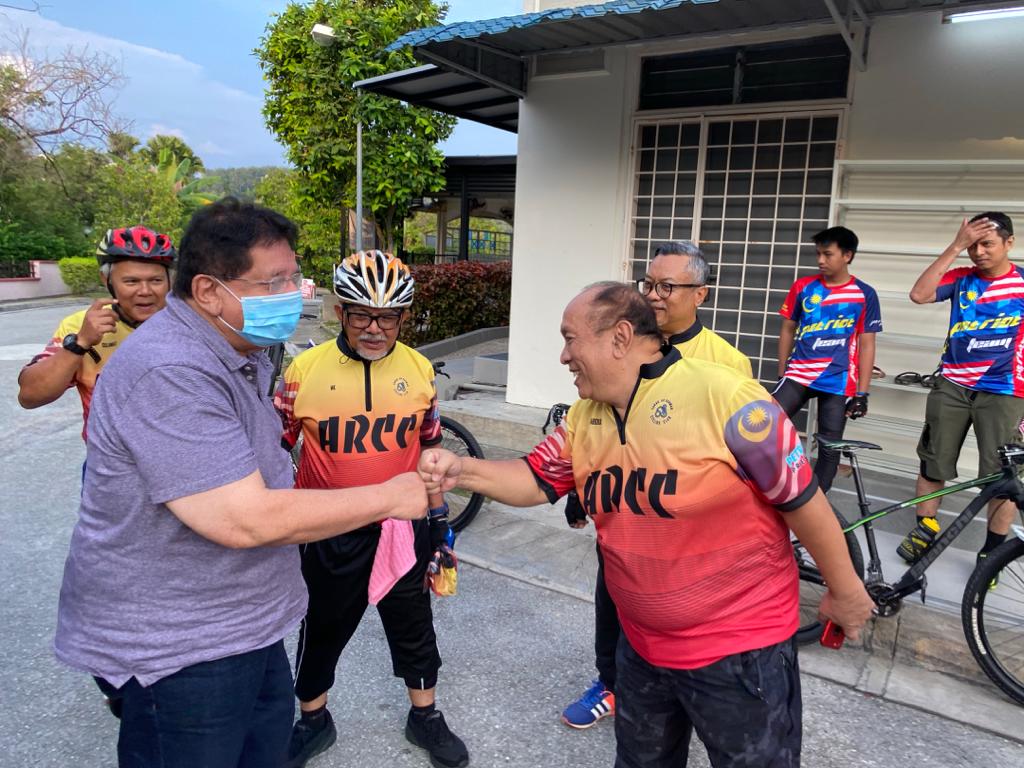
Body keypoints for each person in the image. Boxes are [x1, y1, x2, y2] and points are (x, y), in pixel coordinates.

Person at [420, 282, 873, 768]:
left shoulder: (727, 397)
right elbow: (535, 478)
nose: (563, 356)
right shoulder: (584, 417)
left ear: (619, 337)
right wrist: (461, 469)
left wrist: (846, 591)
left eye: (570, 339)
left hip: (741, 654)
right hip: (640, 649)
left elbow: (802, 501)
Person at [53, 199, 428, 768]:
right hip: (184, 650)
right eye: (275, 282)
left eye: (294, 277)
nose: (292, 293)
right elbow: (242, 517)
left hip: (242, 627)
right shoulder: (171, 370)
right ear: (208, 291)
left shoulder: (236, 351)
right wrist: (393, 495)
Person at [275, 250, 468, 768]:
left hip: (402, 528)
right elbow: (274, 447)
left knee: (414, 627)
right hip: (328, 527)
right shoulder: (303, 371)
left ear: (404, 318)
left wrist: (439, 522)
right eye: (362, 314)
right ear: (340, 311)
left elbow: (430, 451)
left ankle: (424, 716)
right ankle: (313, 720)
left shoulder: (419, 369)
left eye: (388, 317)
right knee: (321, 628)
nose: (375, 329)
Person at [561, 241, 753, 729]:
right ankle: (610, 683)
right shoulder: (620, 349)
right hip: (623, 517)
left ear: (701, 294)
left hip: (687, 532)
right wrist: (579, 491)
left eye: (667, 286)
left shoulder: (727, 364)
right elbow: (595, 428)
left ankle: (690, 694)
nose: (653, 295)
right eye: (648, 284)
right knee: (613, 599)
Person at [898, 212, 1023, 574]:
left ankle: (991, 555)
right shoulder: (961, 278)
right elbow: (919, 294)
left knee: (1002, 477)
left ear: (1009, 243)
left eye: (987, 244)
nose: (979, 252)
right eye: (973, 245)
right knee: (932, 463)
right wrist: (955, 246)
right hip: (951, 387)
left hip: (1005, 391)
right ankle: (925, 531)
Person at [18, 226, 175, 439]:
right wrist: (80, 343)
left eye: (156, 280)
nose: (145, 291)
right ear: (106, 279)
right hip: (109, 457)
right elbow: (30, 396)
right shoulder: (79, 326)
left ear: (170, 281)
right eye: (131, 281)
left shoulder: (191, 324)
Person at [773, 226, 882, 492]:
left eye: (828, 254)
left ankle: (817, 501)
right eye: (818, 254)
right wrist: (782, 372)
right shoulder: (803, 287)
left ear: (847, 255)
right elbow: (787, 329)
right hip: (799, 374)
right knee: (765, 426)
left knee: (829, 448)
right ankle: (769, 484)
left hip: (838, 381)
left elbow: (867, 344)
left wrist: (862, 394)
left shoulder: (864, 294)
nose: (821, 260)